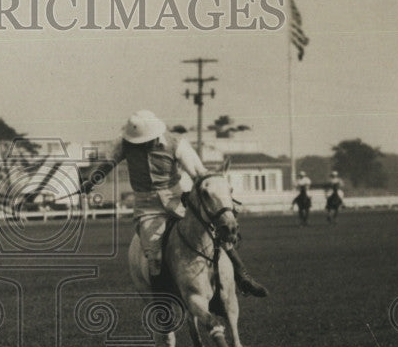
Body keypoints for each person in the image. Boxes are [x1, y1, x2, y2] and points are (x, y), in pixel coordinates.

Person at [80, 110, 268, 297]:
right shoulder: (124, 144)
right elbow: (107, 164)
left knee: (215, 231)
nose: (146, 144)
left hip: (177, 199)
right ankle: (163, 304)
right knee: (153, 256)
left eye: (148, 140)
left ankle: (243, 276)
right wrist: (90, 182)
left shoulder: (176, 143)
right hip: (147, 208)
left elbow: (198, 172)